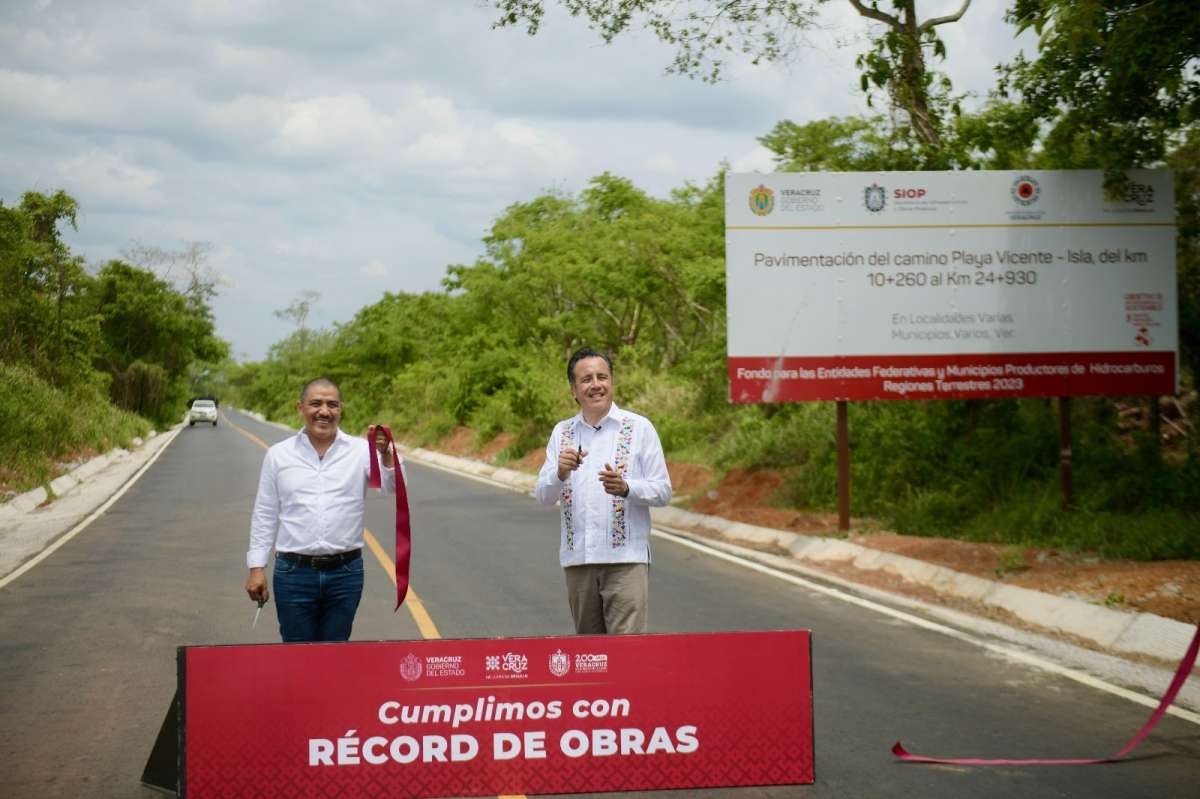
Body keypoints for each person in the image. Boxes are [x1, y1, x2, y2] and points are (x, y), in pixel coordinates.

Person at [244, 377, 398, 642]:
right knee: (297, 656)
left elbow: (389, 487)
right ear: (300, 407)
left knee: (335, 655)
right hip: (293, 574)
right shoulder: (279, 455)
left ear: (341, 409)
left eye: (332, 404)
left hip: (345, 574)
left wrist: (386, 454)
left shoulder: (361, 451)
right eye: (316, 403)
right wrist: (256, 567)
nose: (324, 411)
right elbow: (265, 512)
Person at [535, 347, 672, 634]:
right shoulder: (563, 433)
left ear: (612, 382)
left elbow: (662, 490)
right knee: (590, 657)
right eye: (586, 379)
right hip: (579, 562)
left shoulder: (639, 428)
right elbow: (543, 496)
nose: (595, 385)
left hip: (625, 562)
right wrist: (560, 472)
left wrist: (626, 488)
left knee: (627, 655)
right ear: (574, 390)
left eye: (602, 377)